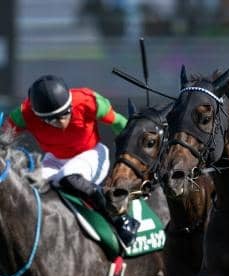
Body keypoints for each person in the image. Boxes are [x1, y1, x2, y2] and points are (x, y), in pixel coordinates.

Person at [3, 74, 140, 246]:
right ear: (37, 115)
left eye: (65, 113)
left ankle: (121, 219)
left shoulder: (88, 101)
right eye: (52, 119)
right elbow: (3, 134)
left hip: (91, 153)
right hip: (55, 159)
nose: (61, 122)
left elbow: (119, 123)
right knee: (29, 185)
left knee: (70, 177)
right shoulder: (23, 114)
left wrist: (134, 153)